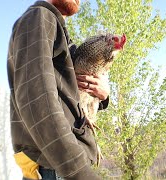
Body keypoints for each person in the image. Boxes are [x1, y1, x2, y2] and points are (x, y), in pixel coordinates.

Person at [7, 0, 109, 179]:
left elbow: (66, 99)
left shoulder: (57, 31)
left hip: (60, 168)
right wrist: (80, 173)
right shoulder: (40, 17)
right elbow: (37, 101)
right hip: (57, 169)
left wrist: (103, 96)